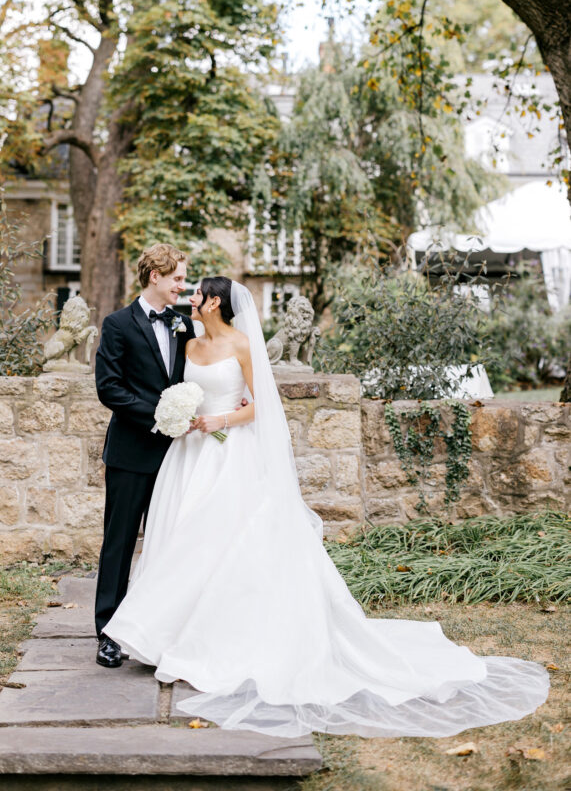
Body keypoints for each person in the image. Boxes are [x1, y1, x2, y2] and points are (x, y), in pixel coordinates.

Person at [101, 277, 549, 738]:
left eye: (196, 294)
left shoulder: (242, 345)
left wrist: (221, 418)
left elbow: (262, 406)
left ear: (215, 301)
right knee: (182, 540)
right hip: (189, 456)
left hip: (230, 453)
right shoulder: (190, 342)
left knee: (222, 542)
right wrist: (182, 414)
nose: (189, 299)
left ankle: (216, 638)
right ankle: (167, 635)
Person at [93, 243, 195, 668]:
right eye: (176, 278)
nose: (181, 285)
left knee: (169, 544)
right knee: (119, 543)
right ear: (155, 274)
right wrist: (158, 417)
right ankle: (109, 634)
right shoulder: (117, 324)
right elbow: (108, 387)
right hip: (131, 452)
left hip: (179, 456)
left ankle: (158, 632)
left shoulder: (184, 324)